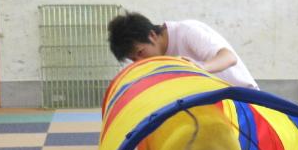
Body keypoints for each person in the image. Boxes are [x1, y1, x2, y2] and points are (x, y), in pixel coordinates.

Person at [108, 12, 258, 89]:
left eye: (140, 53)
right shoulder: (158, 60)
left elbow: (229, 57)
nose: (140, 62)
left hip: (246, 100)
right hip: (214, 105)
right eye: (134, 60)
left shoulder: (186, 31)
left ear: (152, 35)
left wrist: (201, 68)